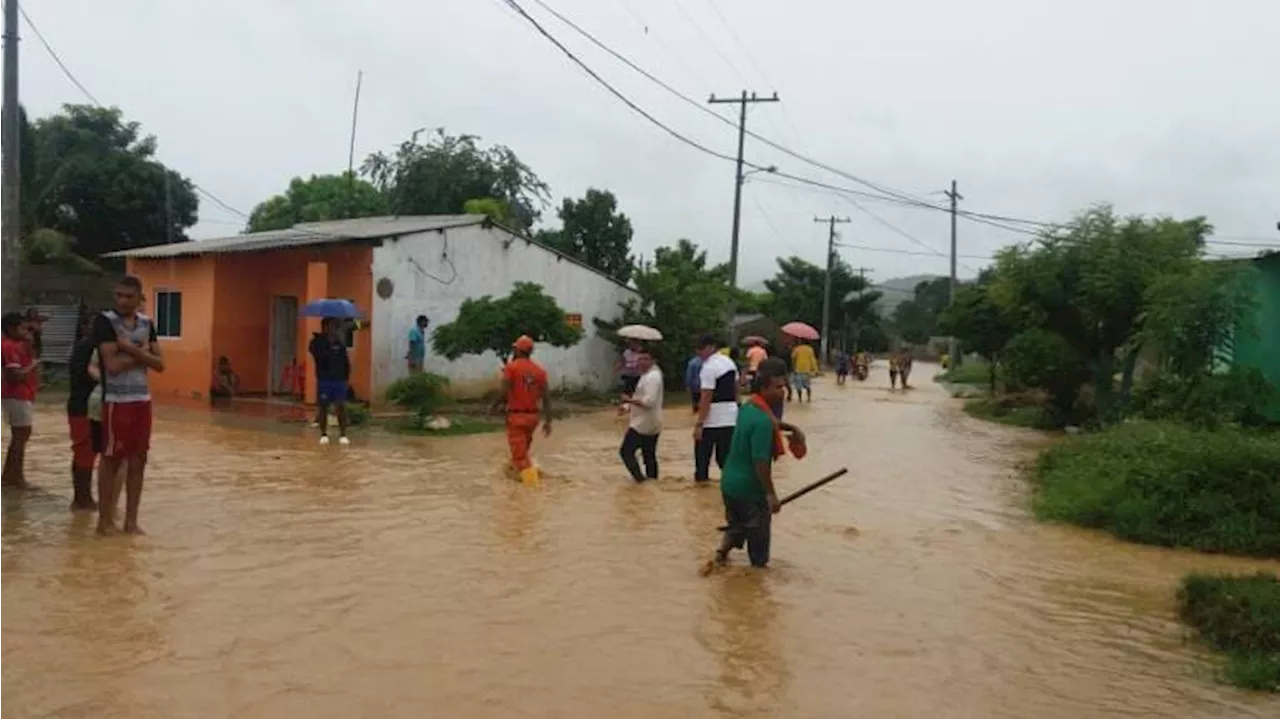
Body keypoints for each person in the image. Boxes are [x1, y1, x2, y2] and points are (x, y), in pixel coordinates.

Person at [710, 359, 806, 570]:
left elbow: (771, 422)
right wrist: (770, 495)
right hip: (749, 491)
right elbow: (760, 462)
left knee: (737, 526)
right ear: (764, 388)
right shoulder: (762, 422)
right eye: (778, 388)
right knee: (759, 561)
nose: (783, 392)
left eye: (783, 387)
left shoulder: (748, 407)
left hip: (729, 485)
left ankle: (719, 557)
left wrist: (792, 428)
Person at [93, 275, 165, 535]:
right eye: (119, 295)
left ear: (139, 297)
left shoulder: (147, 323)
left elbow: (161, 365)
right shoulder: (105, 322)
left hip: (141, 400)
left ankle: (131, 522)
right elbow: (111, 367)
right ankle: (104, 521)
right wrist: (142, 354)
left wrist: (130, 350)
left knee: (139, 460)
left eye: (128, 296)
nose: (122, 301)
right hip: (116, 401)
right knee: (111, 459)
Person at [492, 335, 552, 484]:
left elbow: (504, 392)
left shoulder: (511, 368)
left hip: (517, 418)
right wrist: (548, 421)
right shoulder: (540, 371)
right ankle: (518, 482)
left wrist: (494, 407)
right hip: (533, 419)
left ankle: (531, 492)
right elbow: (546, 397)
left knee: (520, 458)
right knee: (521, 454)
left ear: (518, 350)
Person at [66, 315, 103, 509]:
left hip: (83, 406)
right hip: (84, 407)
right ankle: (82, 499)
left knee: (85, 452)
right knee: (85, 452)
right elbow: (85, 378)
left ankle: (83, 498)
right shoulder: (90, 347)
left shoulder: (87, 346)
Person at [0, 312, 38, 490]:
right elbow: (14, 376)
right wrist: (33, 366)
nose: (26, 331)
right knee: (21, 436)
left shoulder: (17, 345)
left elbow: (29, 354)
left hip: (20, 395)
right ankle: (16, 478)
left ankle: (9, 476)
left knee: (20, 436)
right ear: (10, 329)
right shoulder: (9, 346)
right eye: (22, 328)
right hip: (16, 395)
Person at [693, 334, 738, 483]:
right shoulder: (729, 362)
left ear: (711, 347)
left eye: (701, 348)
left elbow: (706, 397)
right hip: (731, 417)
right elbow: (736, 389)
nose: (698, 352)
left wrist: (699, 424)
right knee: (725, 459)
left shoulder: (709, 367)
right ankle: (733, 485)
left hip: (713, 419)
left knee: (702, 460)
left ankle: (701, 492)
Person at [618, 348, 663, 483]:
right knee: (649, 455)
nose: (641, 362)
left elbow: (649, 402)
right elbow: (641, 397)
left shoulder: (652, 377)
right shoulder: (649, 375)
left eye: (645, 359)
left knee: (626, 452)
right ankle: (652, 483)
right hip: (652, 422)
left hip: (643, 423)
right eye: (639, 359)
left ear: (653, 361)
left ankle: (640, 481)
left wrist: (628, 400)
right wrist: (627, 407)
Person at [309, 319, 351, 446]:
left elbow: (346, 362)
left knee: (341, 406)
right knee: (323, 407)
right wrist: (325, 342)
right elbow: (315, 354)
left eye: (335, 327)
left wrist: (346, 377)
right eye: (330, 326)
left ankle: (343, 434)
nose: (333, 329)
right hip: (324, 380)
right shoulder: (317, 342)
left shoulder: (340, 343)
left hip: (339, 381)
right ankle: (323, 434)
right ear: (324, 327)